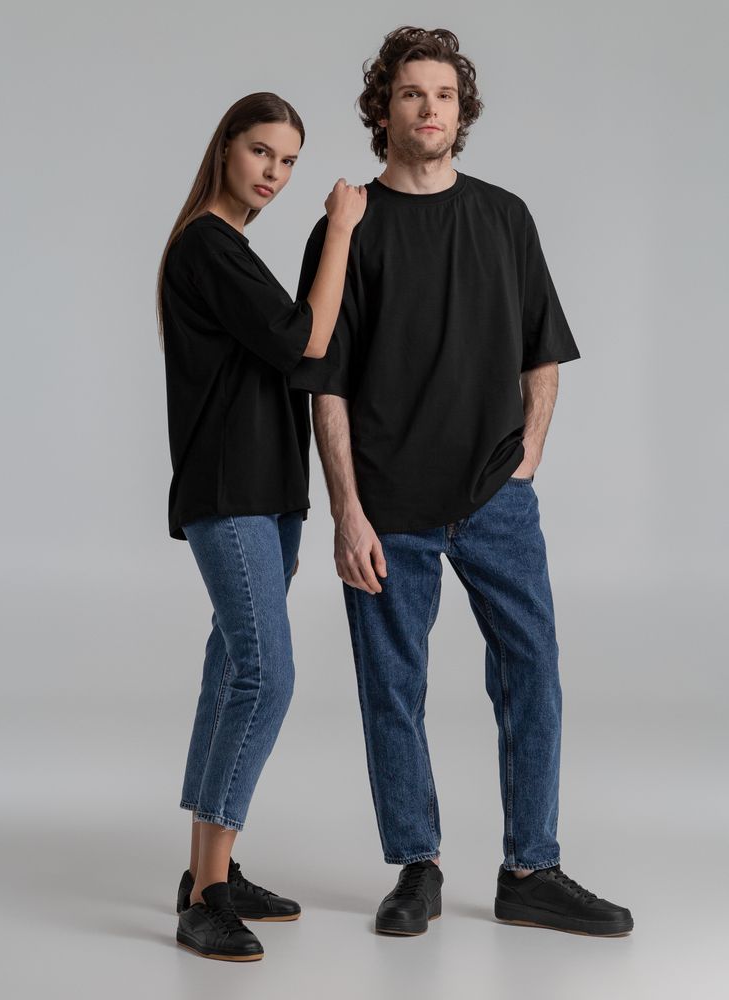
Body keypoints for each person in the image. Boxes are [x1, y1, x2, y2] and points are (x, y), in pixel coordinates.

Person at [289, 27, 634, 937]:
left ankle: (532, 869)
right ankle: (418, 866)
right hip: (387, 506)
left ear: (462, 110)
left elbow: (542, 353)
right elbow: (326, 385)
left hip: (494, 498)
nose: (430, 108)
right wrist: (347, 512)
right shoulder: (347, 227)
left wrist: (528, 455)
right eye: (411, 93)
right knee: (391, 690)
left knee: (533, 674)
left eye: (443, 94)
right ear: (384, 111)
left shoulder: (504, 217)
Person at [157, 91, 366, 961]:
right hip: (231, 493)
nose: (274, 173)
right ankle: (206, 896)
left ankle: (210, 871)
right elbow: (305, 340)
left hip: (266, 497)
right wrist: (342, 227)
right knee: (264, 678)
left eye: (288, 161)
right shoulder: (206, 245)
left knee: (231, 674)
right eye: (261, 153)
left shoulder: (231, 248)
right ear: (226, 149)